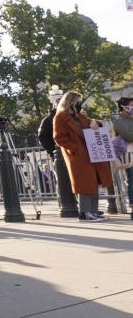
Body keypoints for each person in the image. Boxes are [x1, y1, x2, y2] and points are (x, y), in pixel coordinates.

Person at [53, 91, 110, 222]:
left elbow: (90, 122)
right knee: (85, 183)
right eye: (77, 101)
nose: (79, 104)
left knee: (93, 182)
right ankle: (85, 213)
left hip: (90, 153)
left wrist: (96, 123)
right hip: (78, 155)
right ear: (70, 102)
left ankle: (93, 211)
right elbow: (59, 138)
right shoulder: (60, 117)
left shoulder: (78, 116)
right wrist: (75, 148)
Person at [110, 96, 133, 219]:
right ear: (124, 107)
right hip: (129, 155)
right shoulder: (119, 121)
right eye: (131, 105)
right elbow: (129, 135)